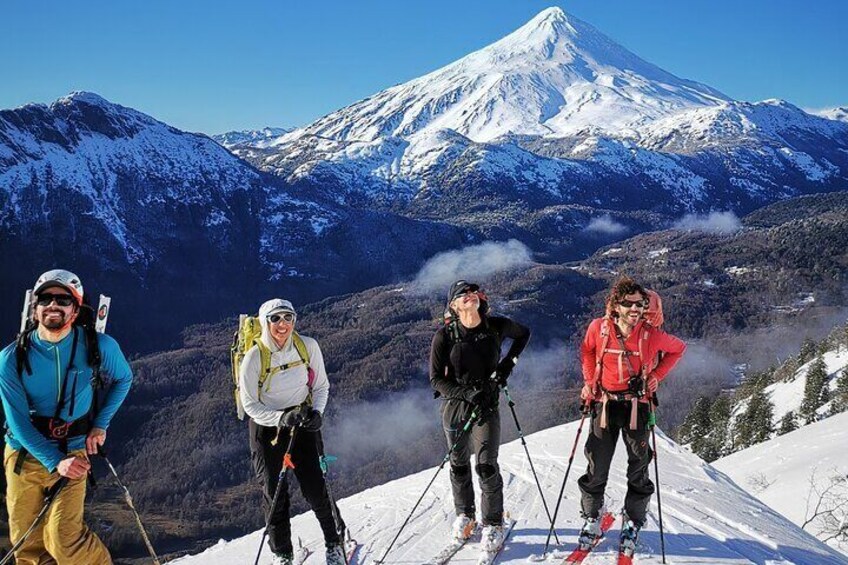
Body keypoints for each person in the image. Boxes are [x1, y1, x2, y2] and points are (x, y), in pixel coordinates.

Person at [0, 269, 133, 564]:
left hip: (74, 450)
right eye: (45, 298)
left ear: (76, 309)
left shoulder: (99, 347)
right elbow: (18, 421)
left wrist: (100, 424)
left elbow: (124, 379)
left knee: (63, 539)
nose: (53, 305)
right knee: (28, 547)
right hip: (25, 454)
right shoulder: (12, 358)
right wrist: (55, 461)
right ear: (35, 308)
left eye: (63, 299)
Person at [576, 276, 686, 555]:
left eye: (640, 304)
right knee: (597, 464)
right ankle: (592, 516)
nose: (635, 309)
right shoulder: (598, 329)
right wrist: (590, 380)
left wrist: (657, 376)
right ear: (616, 306)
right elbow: (587, 351)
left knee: (639, 466)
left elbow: (678, 349)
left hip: (638, 405)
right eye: (629, 304)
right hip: (605, 403)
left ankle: (633, 521)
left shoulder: (651, 334)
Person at [239, 298, 345, 565]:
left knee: (315, 487)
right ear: (265, 323)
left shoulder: (307, 346)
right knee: (274, 494)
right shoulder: (254, 356)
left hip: (302, 422)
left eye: (288, 317)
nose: (282, 324)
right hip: (267, 429)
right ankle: (282, 553)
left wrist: (317, 413)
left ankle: (334, 543)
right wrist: (280, 418)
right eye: (275, 319)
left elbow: (321, 386)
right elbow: (249, 403)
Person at [429, 280, 530, 552]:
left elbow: (524, 334)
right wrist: (465, 394)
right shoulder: (445, 336)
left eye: (473, 292)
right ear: (453, 305)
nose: (470, 296)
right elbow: (436, 380)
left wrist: (508, 365)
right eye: (463, 294)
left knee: (486, 466)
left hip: (486, 404)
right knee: (458, 464)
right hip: (456, 406)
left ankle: (494, 522)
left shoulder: (496, 326)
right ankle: (465, 515)